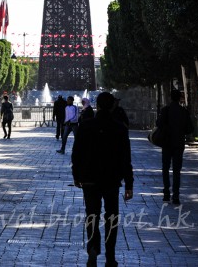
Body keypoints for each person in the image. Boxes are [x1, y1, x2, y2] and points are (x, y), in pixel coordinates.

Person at [72, 91, 133, 267]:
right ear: (113, 105)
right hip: (112, 179)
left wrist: (77, 175)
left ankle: (92, 247)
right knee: (111, 217)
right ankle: (110, 256)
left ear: (97, 105)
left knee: (92, 215)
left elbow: (77, 154)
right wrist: (129, 184)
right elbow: (125, 159)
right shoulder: (120, 128)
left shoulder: (85, 126)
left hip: (90, 178)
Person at [157, 89, 193, 205]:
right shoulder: (184, 112)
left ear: (170, 97)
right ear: (180, 98)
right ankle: (176, 195)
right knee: (177, 170)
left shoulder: (165, 110)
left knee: (165, 168)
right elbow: (190, 129)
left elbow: (158, 124)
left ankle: (166, 192)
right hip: (178, 143)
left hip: (167, 143)